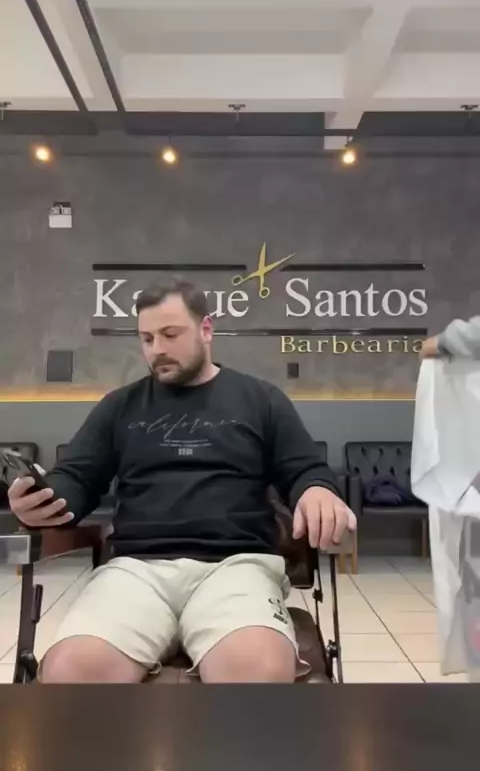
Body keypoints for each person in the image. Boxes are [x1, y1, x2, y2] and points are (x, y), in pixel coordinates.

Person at [8, 280, 356, 684]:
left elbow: (305, 468)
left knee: (257, 671)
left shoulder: (260, 399)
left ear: (206, 329)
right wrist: (43, 500)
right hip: (136, 570)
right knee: (71, 673)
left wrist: (317, 489)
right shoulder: (120, 406)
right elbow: (76, 478)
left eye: (170, 334)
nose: (157, 348)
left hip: (235, 566)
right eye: (147, 338)